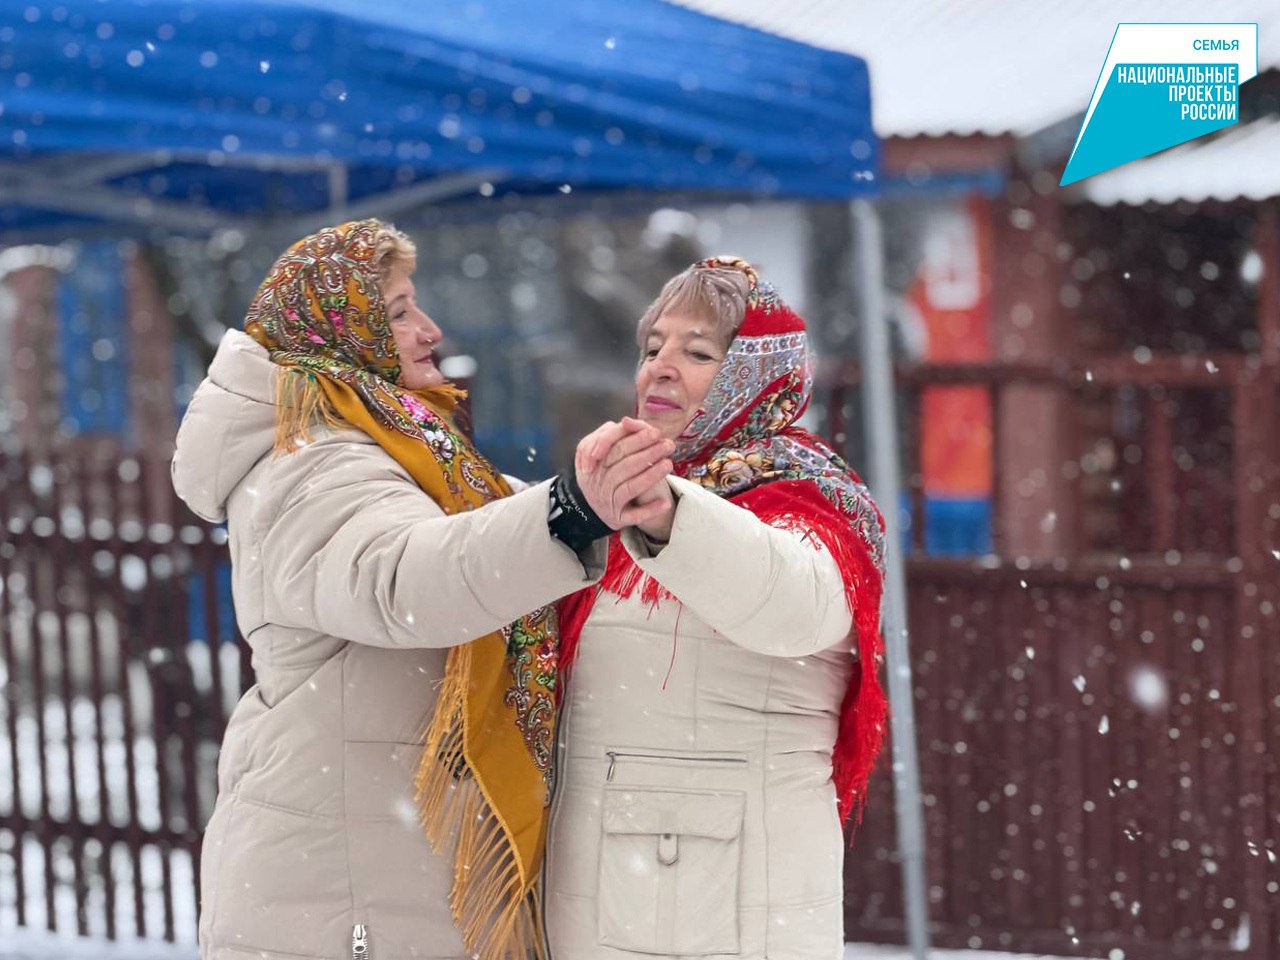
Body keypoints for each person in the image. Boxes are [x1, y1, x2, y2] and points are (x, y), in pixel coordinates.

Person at [171, 219, 671, 960]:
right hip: (344, 901)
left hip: (373, 879)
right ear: (345, 327)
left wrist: (638, 510)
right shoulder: (315, 462)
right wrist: (569, 511)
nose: (430, 328)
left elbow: (489, 526)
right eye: (400, 310)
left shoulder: (386, 449)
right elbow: (405, 579)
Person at [545, 257, 889, 960]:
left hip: (719, 911)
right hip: (617, 896)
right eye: (652, 348)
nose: (660, 368)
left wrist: (674, 517)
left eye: (698, 352)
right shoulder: (630, 495)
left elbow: (795, 604)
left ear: (757, 373)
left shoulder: (809, 493)